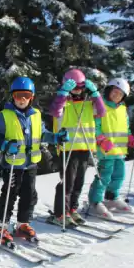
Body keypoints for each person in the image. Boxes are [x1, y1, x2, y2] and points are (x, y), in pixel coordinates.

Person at [0, 77, 67, 247]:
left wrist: (56, 138)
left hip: (31, 164)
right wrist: (5, 144)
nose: (22, 99)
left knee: (29, 194)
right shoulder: (5, 115)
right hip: (12, 164)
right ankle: (0, 226)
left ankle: (22, 223)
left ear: (31, 96)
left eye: (26, 95)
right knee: (9, 195)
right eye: (18, 95)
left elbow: (42, 134)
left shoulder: (36, 115)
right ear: (13, 96)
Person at [48, 68, 106, 226]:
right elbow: (54, 111)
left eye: (80, 87)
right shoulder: (63, 103)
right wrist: (62, 92)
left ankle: (72, 209)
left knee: (79, 181)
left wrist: (96, 94)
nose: (77, 90)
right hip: (68, 148)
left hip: (84, 147)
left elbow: (102, 112)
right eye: (73, 87)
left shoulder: (88, 103)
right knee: (67, 182)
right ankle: (60, 213)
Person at [87, 78, 134, 218]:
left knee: (119, 175)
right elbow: (95, 127)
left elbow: (126, 129)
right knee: (104, 176)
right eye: (114, 92)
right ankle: (95, 202)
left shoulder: (123, 109)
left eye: (120, 94)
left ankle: (112, 197)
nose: (116, 95)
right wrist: (101, 140)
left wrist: (131, 140)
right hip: (106, 150)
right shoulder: (100, 106)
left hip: (120, 151)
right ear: (108, 91)